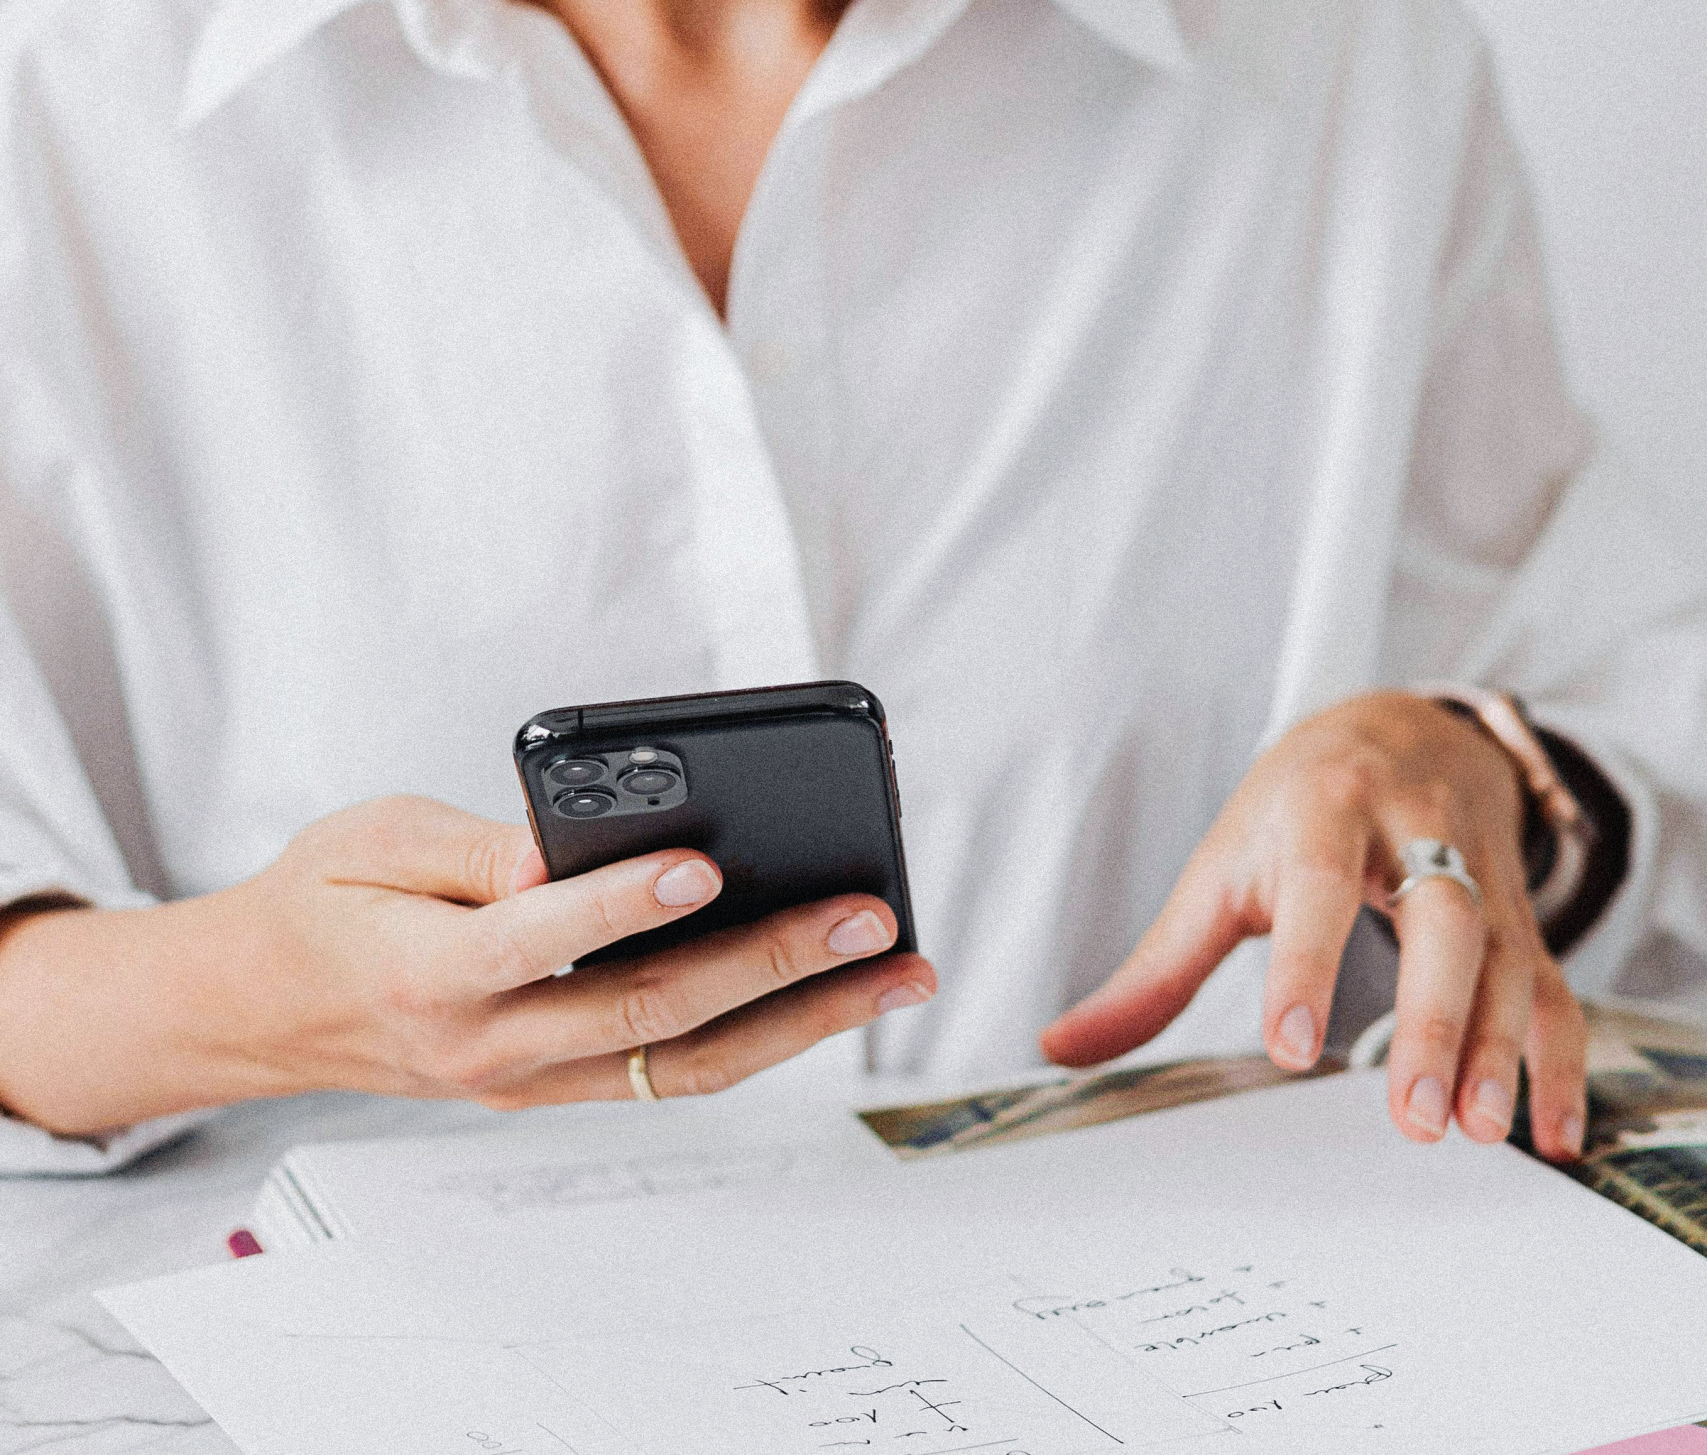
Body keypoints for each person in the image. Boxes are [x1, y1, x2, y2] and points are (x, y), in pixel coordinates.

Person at [0, 0, 1703, 1177]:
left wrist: (1482, 771)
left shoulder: (1336, 59)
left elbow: (1623, 723)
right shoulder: (64, 95)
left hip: (1188, 1387)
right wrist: (257, 1003)